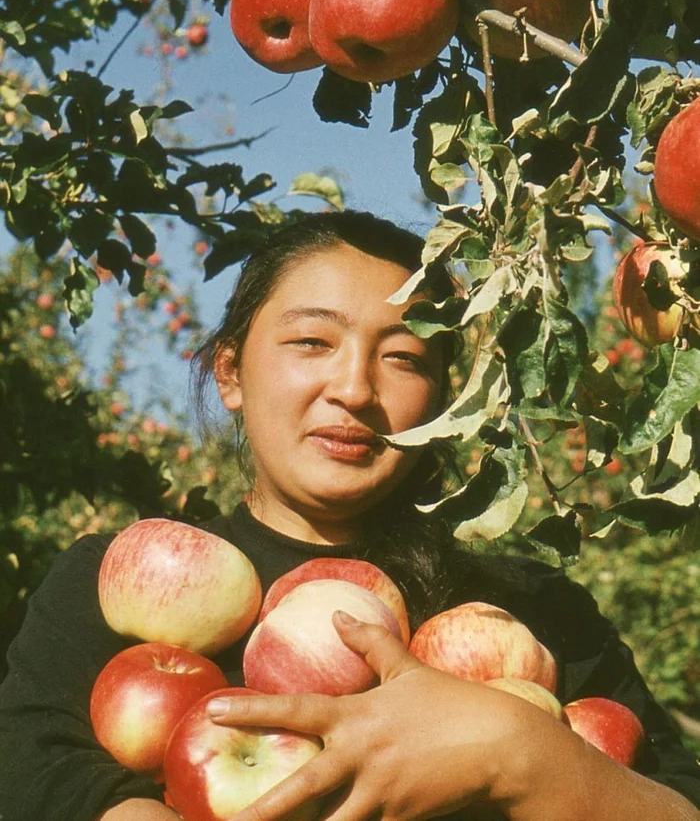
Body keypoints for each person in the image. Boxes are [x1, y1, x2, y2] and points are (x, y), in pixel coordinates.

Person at [0, 210, 698, 821]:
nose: (356, 388)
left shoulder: (533, 612)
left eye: (404, 357)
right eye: (312, 342)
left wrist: (516, 751)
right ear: (231, 374)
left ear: (442, 403)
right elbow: (28, 763)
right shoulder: (108, 586)